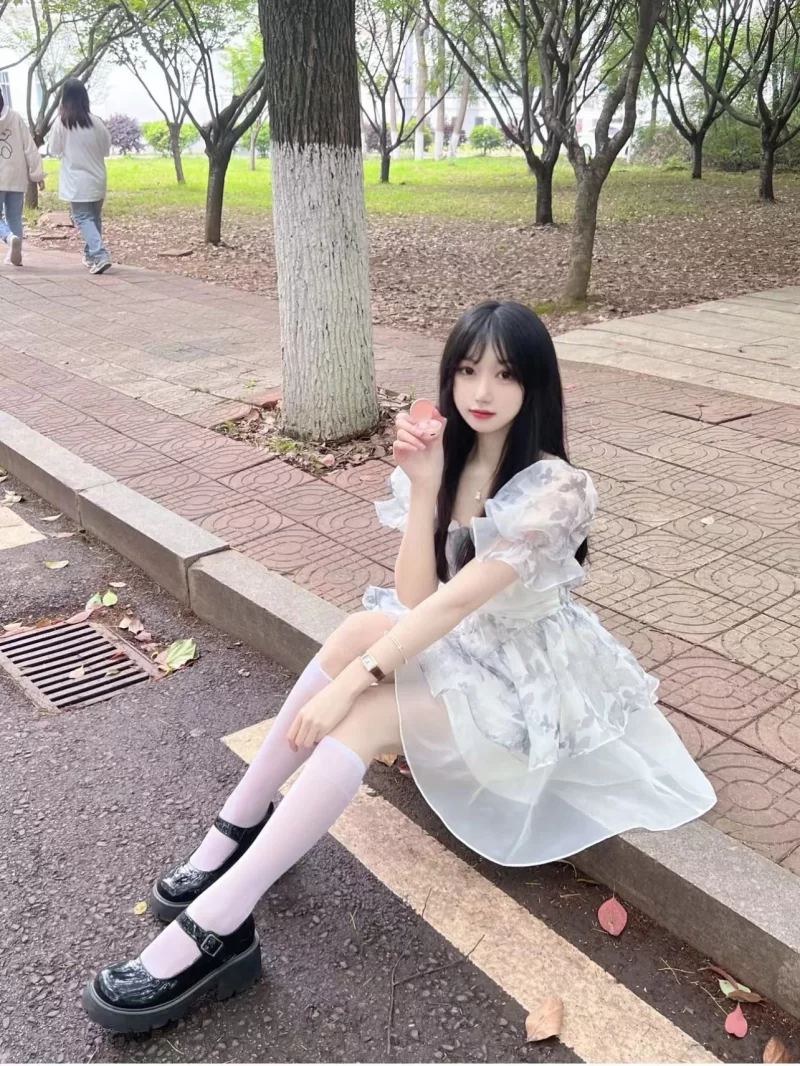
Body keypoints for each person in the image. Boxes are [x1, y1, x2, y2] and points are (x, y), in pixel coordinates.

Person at [83, 301, 716, 1033]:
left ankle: (220, 924)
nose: (482, 391)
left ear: (536, 384)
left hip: (529, 683)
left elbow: (457, 603)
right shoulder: (455, 457)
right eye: (468, 370)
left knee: (363, 710)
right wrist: (423, 487)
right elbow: (416, 597)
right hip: (468, 647)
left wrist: (356, 681)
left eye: (505, 375)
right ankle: (239, 823)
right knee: (364, 626)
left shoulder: (556, 488)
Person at [48, 79, 112, 274]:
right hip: (98, 178)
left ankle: (100, 254)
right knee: (93, 218)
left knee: (82, 217)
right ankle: (91, 255)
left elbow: (53, 150)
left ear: (64, 98)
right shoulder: (97, 122)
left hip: (77, 182)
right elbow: (106, 150)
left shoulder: (62, 123)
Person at [0, 88, 46, 267]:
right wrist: (37, 174)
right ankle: (15, 253)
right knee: (14, 217)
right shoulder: (16, 117)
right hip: (16, 176)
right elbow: (29, 147)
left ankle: (9, 238)